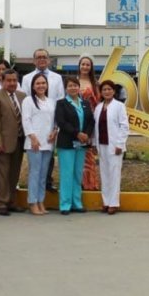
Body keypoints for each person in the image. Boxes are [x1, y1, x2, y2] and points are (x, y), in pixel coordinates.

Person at [23, 48, 65, 190]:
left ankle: (47, 182)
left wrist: (56, 128)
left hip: (50, 124)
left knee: (48, 157)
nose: (41, 59)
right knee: (35, 164)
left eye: (44, 57)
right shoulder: (27, 78)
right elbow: (26, 103)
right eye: (38, 57)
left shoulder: (57, 78)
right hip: (34, 125)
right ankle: (36, 193)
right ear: (34, 60)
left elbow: (60, 104)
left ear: (49, 60)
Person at [0, 69, 27, 216]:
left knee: (14, 174)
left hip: (19, 140)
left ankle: (11, 201)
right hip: (3, 142)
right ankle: (1, 203)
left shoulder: (22, 96)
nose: (12, 83)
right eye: (9, 80)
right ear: (3, 81)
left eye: (14, 80)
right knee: (2, 173)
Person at [55, 76, 95, 215]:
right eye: (70, 86)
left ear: (79, 87)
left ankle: (77, 203)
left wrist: (86, 134)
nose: (73, 88)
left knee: (78, 174)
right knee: (67, 174)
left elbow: (91, 121)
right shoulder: (61, 103)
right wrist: (77, 133)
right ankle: (65, 204)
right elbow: (61, 122)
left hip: (82, 144)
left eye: (75, 85)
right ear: (66, 88)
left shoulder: (85, 103)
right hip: (67, 143)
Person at [23, 73, 57, 215]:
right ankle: (32, 202)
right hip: (34, 143)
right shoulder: (28, 101)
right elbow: (26, 120)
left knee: (44, 175)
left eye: (43, 83)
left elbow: (55, 121)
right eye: (38, 83)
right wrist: (33, 138)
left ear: (47, 85)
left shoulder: (51, 101)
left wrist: (55, 131)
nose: (41, 86)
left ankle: (40, 201)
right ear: (33, 86)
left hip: (48, 143)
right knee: (35, 173)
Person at [93, 81, 129, 214]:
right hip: (101, 145)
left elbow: (124, 126)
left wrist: (120, 144)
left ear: (114, 91)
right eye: (104, 90)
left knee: (114, 174)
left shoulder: (119, 106)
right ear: (101, 92)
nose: (107, 91)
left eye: (109, 89)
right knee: (104, 174)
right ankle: (106, 202)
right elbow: (96, 127)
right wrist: (94, 144)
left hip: (115, 146)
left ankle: (114, 203)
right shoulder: (98, 107)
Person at [77, 55, 101, 191]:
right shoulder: (74, 81)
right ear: (79, 66)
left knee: (89, 154)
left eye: (88, 65)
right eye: (83, 64)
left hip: (90, 123)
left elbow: (97, 104)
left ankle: (90, 184)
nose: (85, 67)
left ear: (91, 67)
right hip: (76, 123)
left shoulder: (95, 84)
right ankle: (78, 183)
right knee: (78, 154)